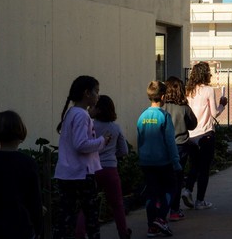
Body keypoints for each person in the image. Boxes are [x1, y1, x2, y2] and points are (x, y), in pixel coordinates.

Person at [54, 75, 108, 239]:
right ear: (87, 93)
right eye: (96, 92)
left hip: (67, 173)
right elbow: (81, 144)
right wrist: (101, 141)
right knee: (91, 217)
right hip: (81, 174)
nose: (98, 96)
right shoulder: (81, 115)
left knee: (66, 218)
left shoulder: (73, 112)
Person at [0, 110, 43, 239]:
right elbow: (34, 201)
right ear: (21, 131)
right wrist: (38, 228)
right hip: (20, 226)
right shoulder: (28, 163)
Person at [76, 95, 131, 239]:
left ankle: (79, 233)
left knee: (86, 204)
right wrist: (112, 154)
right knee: (117, 205)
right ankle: (123, 233)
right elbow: (124, 150)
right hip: (110, 169)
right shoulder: (115, 128)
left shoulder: (90, 125)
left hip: (92, 168)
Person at [137, 81, 181, 237]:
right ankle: (161, 218)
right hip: (163, 162)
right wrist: (176, 162)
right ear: (162, 97)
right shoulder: (164, 116)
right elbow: (170, 141)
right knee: (171, 188)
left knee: (151, 193)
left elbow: (140, 139)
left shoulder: (142, 116)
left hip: (146, 162)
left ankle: (152, 226)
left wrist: (140, 158)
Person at [184, 62, 227, 210]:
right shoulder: (208, 90)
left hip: (190, 135)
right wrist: (222, 104)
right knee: (204, 168)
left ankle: (187, 189)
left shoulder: (188, 90)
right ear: (205, 74)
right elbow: (214, 113)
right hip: (206, 133)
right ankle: (200, 200)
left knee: (194, 165)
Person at [163, 76, 198, 221]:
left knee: (164, 178)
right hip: (181, 146)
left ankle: (161, 209)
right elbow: (193, 124)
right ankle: (175, 210)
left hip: (164, 147)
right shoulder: (184, 108)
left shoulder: (162, 107)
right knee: (177, 178)